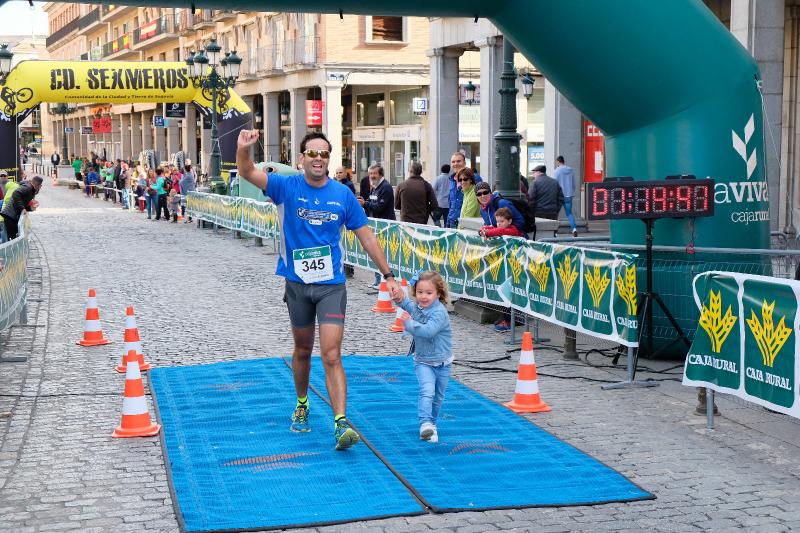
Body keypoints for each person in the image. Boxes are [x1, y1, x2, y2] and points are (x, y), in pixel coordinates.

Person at [236, 129, 401, 451]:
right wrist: (244, 149)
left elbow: (366, 236)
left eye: (324, 154)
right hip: (297, 284)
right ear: (301, 159)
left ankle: (341, 422)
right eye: (312, 153)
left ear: (329, 159)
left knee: (331, 352)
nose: (318, 159)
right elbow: (247, 171)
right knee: (302, 350)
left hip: (330, 286)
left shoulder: (342, 195)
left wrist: (388, 274)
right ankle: (302, 402)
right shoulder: (285, 186)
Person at [392, 271, 452, 443]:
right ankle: (425, 423)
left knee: (438, 397)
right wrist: (398, 297)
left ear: (438, 294)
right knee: (427, 391)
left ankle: (432, 425)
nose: (423, 297)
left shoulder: (439, 313)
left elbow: (428, 331)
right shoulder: (418, 307)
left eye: (428, 293)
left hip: (443, 363)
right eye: (419, 292)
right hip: (423, 361)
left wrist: (408, 324)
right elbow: (408, 305)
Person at [358, 164, 395, 289]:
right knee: (375, 252)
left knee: (383, 254)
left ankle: (384, 280)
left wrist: (365, 203)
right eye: (371, 173)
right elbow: (372, 203)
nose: (372, 176)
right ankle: (377, 280)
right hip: (375, 225)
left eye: (375, 173)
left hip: (385, 226)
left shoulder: (386, 187)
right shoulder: (374, 187)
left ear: (381, 174)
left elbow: (379, 207)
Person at [446, 152, 482, 228]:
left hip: (467, 222)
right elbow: (451, 202)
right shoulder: (451, 179)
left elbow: (480, 200)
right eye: (453, 162)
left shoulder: (475, 177)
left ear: (464, 163)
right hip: (452, 221)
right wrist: (448, 221)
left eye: (458, 161)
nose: (455, 164)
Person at [527, 164, 564, 239]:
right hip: (552, 212)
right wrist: (556, 209)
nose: (533, 174)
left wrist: (530, 212)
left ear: (539, 172)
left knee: (540, 234)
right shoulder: (554, 182)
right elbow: (561, 198)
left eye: (534, 172)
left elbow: (531, 199)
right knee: (551, 233)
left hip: (539, 212)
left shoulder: (535, 183)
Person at [395, 160, 437, 225]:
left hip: (405, 221)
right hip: (421, 221)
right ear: (421, 172)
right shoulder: (426, 185)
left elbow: (396, 205)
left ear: (411, 171)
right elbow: (434, 205)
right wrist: (426, 210)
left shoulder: (401, 185)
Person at [554, 156, 578, 237]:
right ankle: (574, 229)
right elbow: (574, 183)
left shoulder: (557, 171)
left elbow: (555, 184)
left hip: (560, 196)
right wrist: (571, 191)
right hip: (569, 195)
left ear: (558, 162)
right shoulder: (570, 170)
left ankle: (555, 232)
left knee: (555, 214)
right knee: (569, 214)